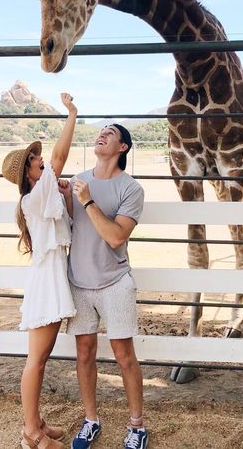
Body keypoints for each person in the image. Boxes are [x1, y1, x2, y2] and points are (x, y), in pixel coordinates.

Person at [1, 92, 77, 449]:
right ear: (28, 174)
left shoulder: (41, 196)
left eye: (37, 156)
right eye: (35, 160)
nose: (42, 160)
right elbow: (61, 156)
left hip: (50, 276)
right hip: (47, 281)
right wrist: (72, 114)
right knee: (36, 360)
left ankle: (37, 424)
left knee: (40, 359)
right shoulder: (35, 195)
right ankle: (30, 432)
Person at [68, 124, 149, 449]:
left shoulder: (131, 189)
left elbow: (117, 236)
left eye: (111, 133)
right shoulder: (76, 180)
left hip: (114, 283)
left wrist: (87, 201)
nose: (102, 134)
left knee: (124, 356)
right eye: (100, 130)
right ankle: (91, 420)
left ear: (123, 148)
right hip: (78, 283)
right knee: (84, 353)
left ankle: (137, 426)